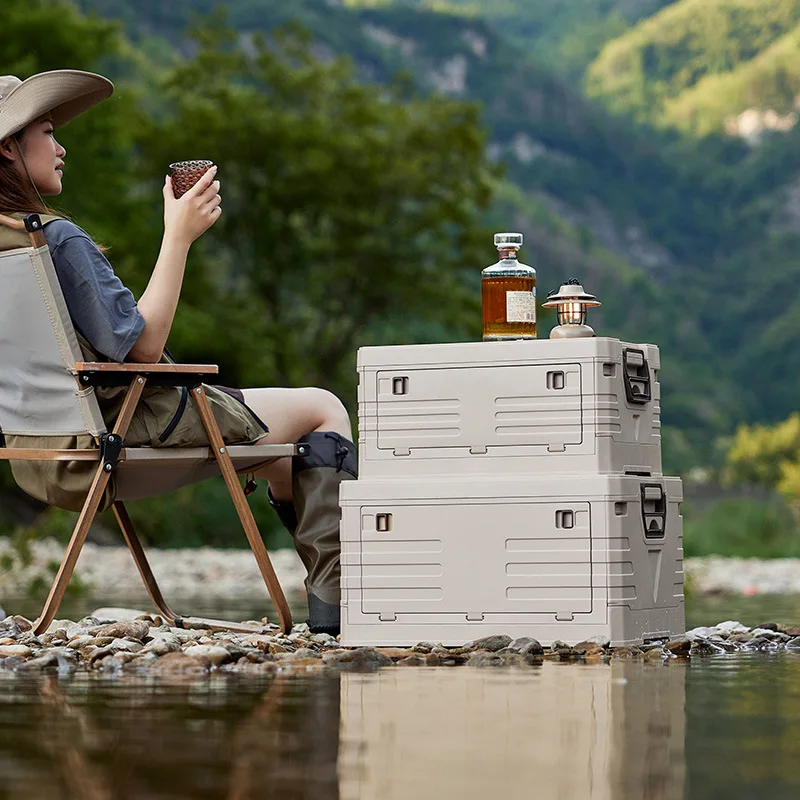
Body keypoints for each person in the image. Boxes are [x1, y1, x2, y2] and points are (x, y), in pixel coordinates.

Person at [0, 69, 357, 634]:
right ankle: (339, 602)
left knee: (283, 445)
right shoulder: (54, 239)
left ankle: (328, 601)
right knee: (322, 409)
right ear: (8, 147)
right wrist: (178, 235)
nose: (61, 146)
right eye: (47, 130)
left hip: (36, 458)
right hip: (118, 438)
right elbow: (143, 348)